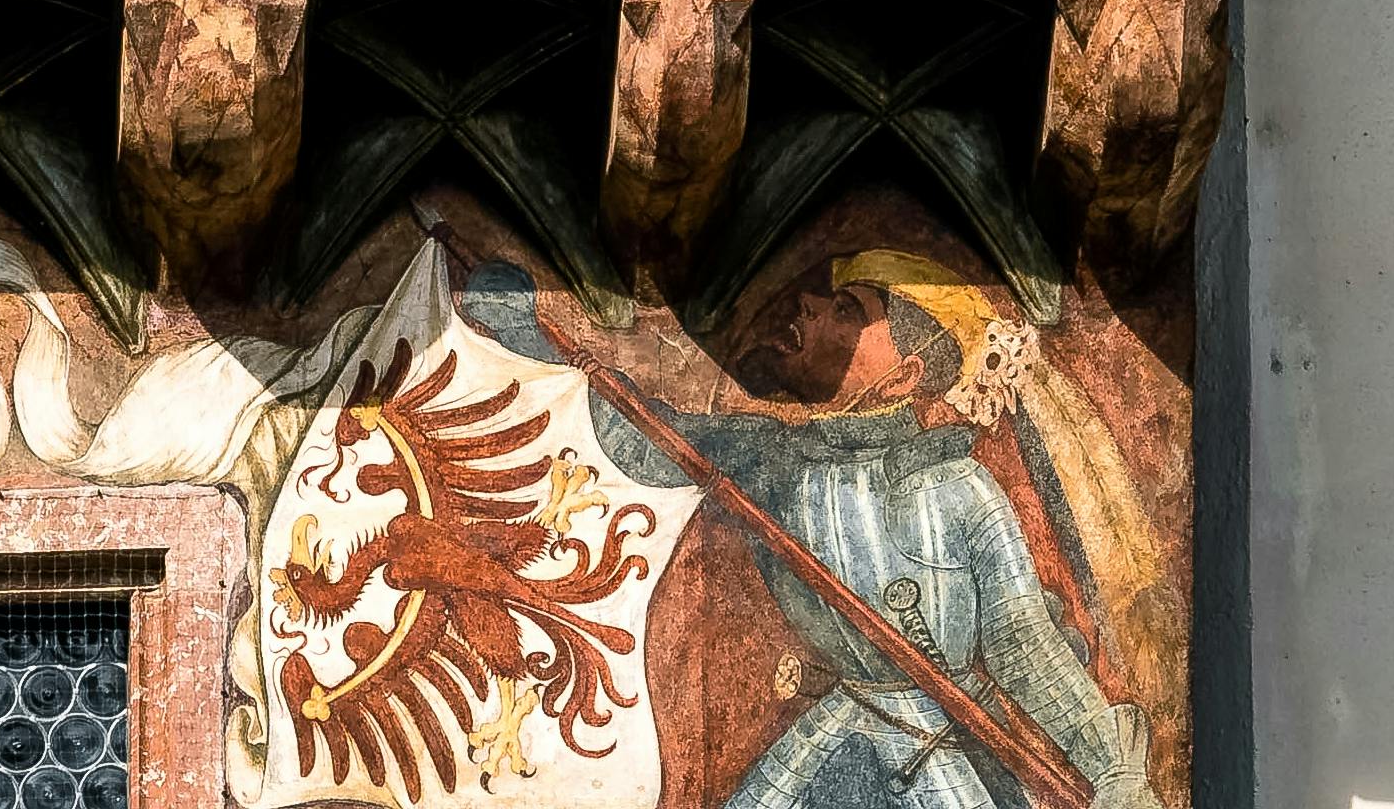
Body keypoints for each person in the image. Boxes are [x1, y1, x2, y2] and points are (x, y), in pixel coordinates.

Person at [465, 255, 1155, 809]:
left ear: (902, 378)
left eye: (849, 311)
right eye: (831, 299)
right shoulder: (773, 461)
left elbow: (1023, 647)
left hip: (952, 753)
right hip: (835, 734)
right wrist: (531, 335)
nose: (810, 306)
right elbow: (641, 438)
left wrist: (1114, 775)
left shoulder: (957, 490)